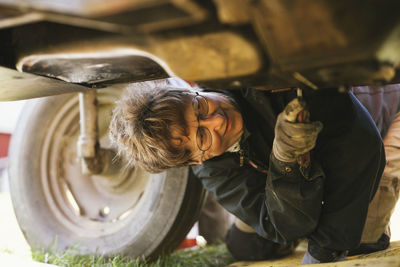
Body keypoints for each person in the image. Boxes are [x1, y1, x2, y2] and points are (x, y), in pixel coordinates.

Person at [109, 78, 396, 264]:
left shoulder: (260, 80)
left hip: (382, 117)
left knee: (358, 242)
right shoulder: (210, 169)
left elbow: (359, 146)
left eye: (199, 107)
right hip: (301, 170)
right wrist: (286, 160)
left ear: (190, 90)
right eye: (202, 137)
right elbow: (282, 226)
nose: (217, 121)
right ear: (197, 159)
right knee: (249, 247)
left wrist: (323, 251)